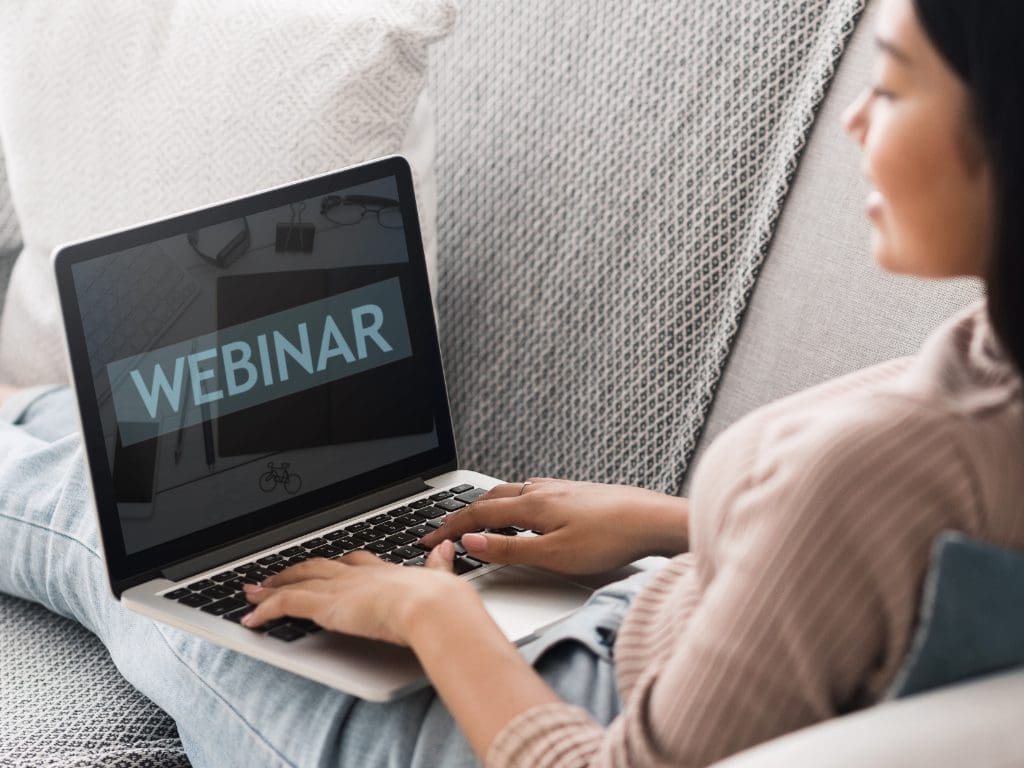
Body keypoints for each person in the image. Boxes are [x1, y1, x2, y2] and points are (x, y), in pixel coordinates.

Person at [1, 0, 1022, 765]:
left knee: (119, 532)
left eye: (893, 87)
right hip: (650, 629)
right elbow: (905, 567)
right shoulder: (991, 367)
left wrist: (428, 616)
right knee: (147, 480)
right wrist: (672, 521)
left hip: (504, 730)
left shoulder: (885, 461)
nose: (856, 122)